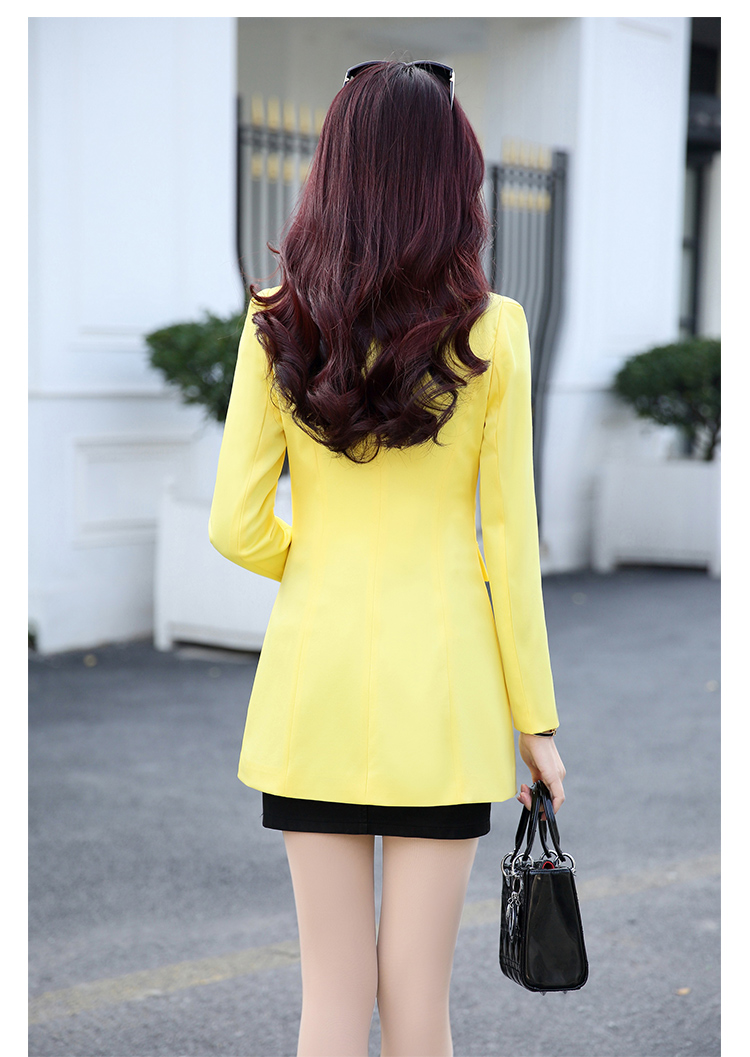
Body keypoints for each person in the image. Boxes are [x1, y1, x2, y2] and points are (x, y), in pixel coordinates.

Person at [209, 58, 566, 1057]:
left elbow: (235, 525)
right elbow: (511, 548)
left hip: (314, 691)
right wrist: (536, 725)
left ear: (333, 172)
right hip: (443, 701)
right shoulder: (493, 332)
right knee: (417, 1003)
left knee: (331, 999)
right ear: (451, 182)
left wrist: (318, 565)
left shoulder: (277, 318)